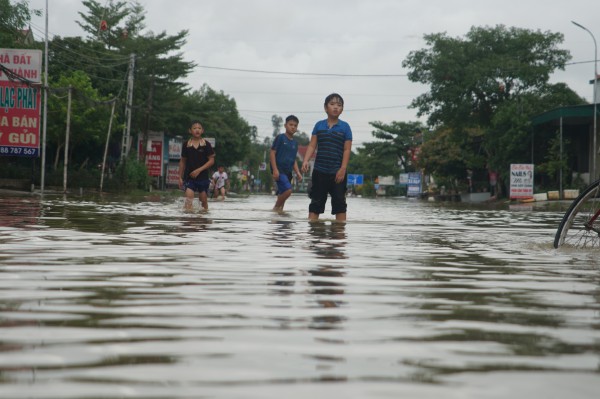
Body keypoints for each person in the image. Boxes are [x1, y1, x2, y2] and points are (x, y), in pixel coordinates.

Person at [301, 93, 352, 221]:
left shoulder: (345, 127)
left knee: (340, 204)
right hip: (319, 171)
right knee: (315, 203)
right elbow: (312, 146)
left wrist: (343, 169)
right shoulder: (319, 125)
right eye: (332, 104)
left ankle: (340, 234)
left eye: (339, 105)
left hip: (338, 173)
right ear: (325, 108)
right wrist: (306, 160)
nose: (336, 107)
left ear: (342, 109)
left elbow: (347, 149)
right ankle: (314, 234)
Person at [178, 120, 215, 211]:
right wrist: (179, 177)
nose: (197, 130)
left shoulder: (206, 144)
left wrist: (199, 170)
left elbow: (211, 161)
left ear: (202, 130)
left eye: (199, 128)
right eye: (194, 128)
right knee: (188, 199)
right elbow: (182, 161)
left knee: (203, 201)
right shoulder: (186, 145)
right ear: (190, 130)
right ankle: (189, 221)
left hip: (203, 177)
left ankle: (204, 220)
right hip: (189, 177)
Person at [270, 115, 303, 211]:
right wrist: (275, 170)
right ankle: (275, 209)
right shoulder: (280, 138)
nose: (293, 127)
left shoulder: (295, 143)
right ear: (285, 125)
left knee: (282, 194)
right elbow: (272, 153)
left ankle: (279, 216)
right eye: (291, 124)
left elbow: (293, 160)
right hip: (279, 170)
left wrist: (298, 173)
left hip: (288, 171)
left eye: (295, 125)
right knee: (288, 191)